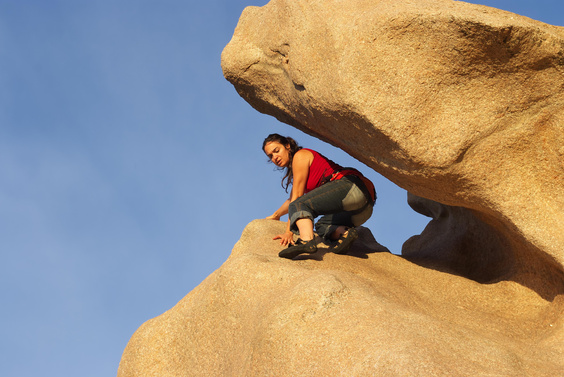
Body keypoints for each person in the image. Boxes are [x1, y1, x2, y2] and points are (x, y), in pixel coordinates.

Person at [263, 133, 376, 259]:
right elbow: (291, 200)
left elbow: (297, 199)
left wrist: (289, 232)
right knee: (322, 226)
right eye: (270, 156)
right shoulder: (298, 170)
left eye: (277, 151)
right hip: (364, 208)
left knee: (300, 204)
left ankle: (306, 241)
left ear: (288, 146)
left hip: (351, 187)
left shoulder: (300, 156)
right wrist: (276, 215)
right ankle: (345, 233)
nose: (275, 157)